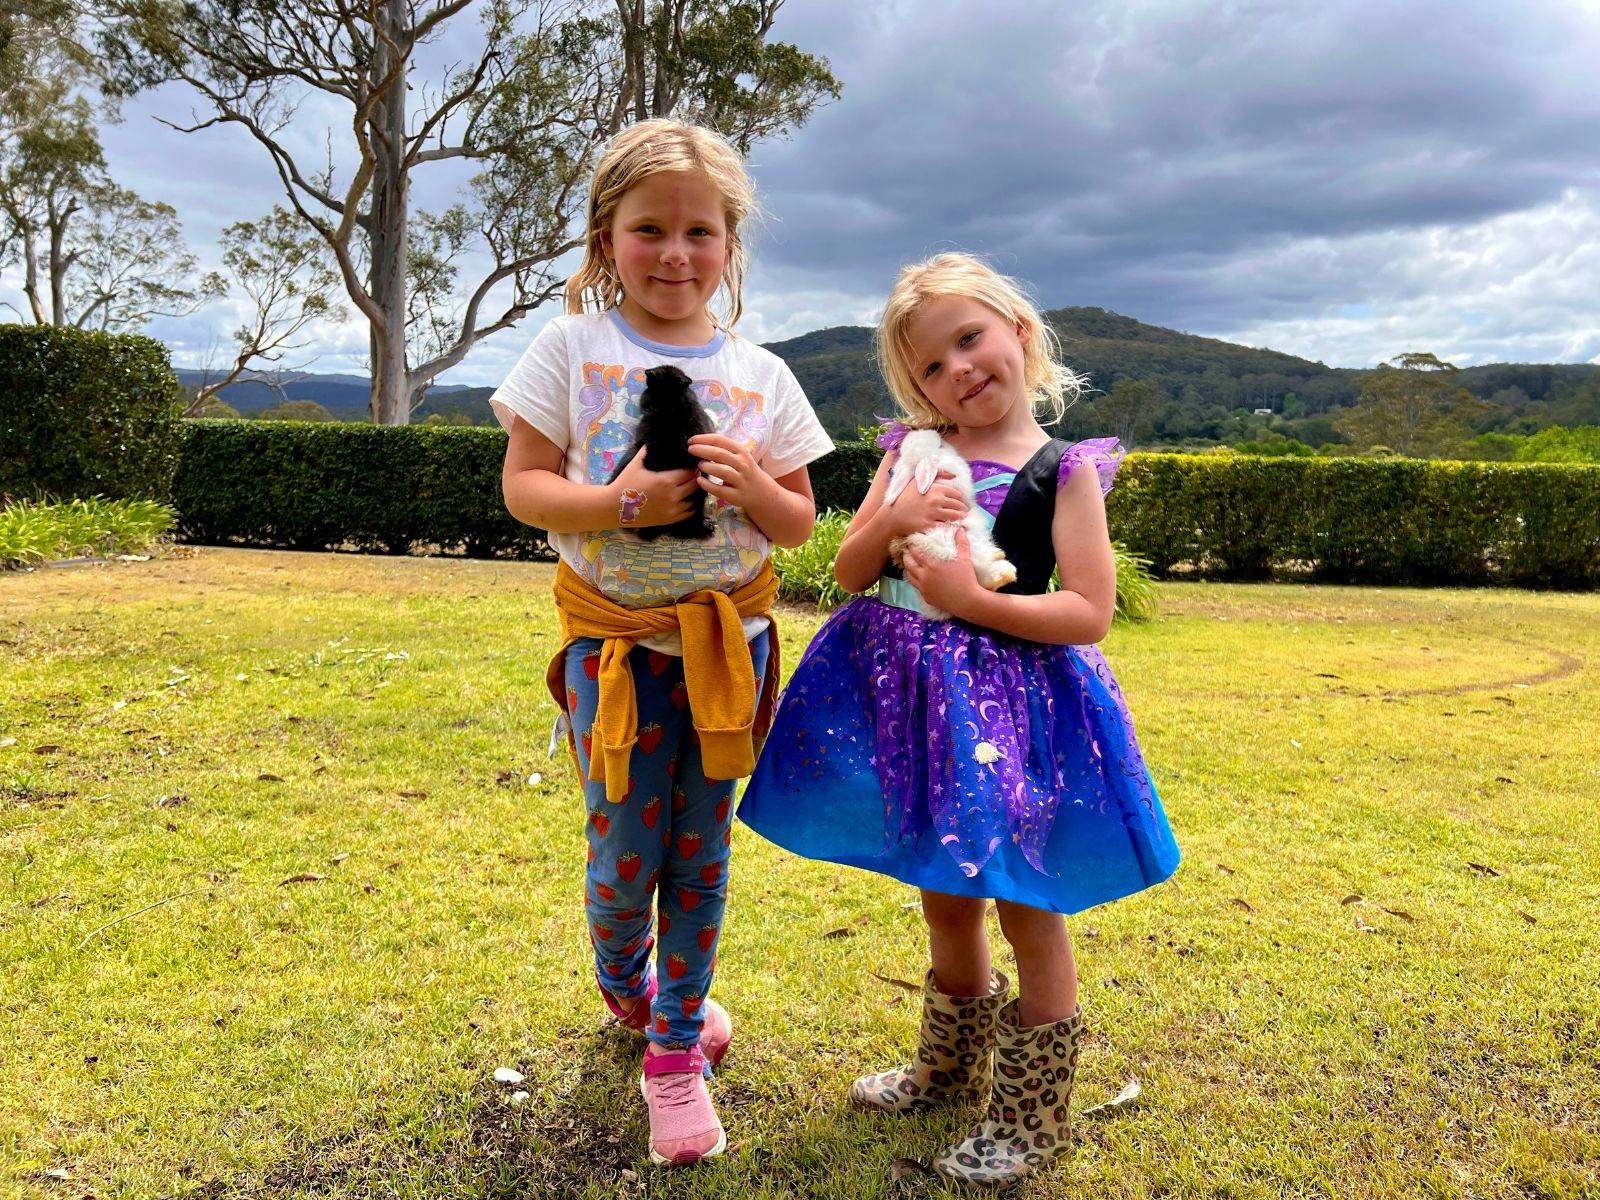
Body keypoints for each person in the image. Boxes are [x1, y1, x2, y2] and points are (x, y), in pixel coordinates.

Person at [739, 252, 1179, 1189]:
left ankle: (1030, 1116)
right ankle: (946, 1071)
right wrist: (893, 511)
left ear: (1019, 330)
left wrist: (968, 600)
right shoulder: (913, 453)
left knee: (1027, 900)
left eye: (969, 340)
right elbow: (851, 570)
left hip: (1008, 718)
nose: (959, 373)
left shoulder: (1062, 474)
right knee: (944, 889)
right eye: (931, 368)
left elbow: (1088, 612)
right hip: (913, 710)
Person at [491, 118, 834, 1168]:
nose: (674, 254)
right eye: (649, 229)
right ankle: (628, 987)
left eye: (700, 232)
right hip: (618, 656)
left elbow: (799, 523)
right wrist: (618, 504)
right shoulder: (571, 349)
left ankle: (675, 1055)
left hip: (733, 652)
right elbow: (524, 486)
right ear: (606, 239)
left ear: (730, 246)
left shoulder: (763, 375)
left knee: (701, 853)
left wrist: (756, 486)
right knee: (619, 857)